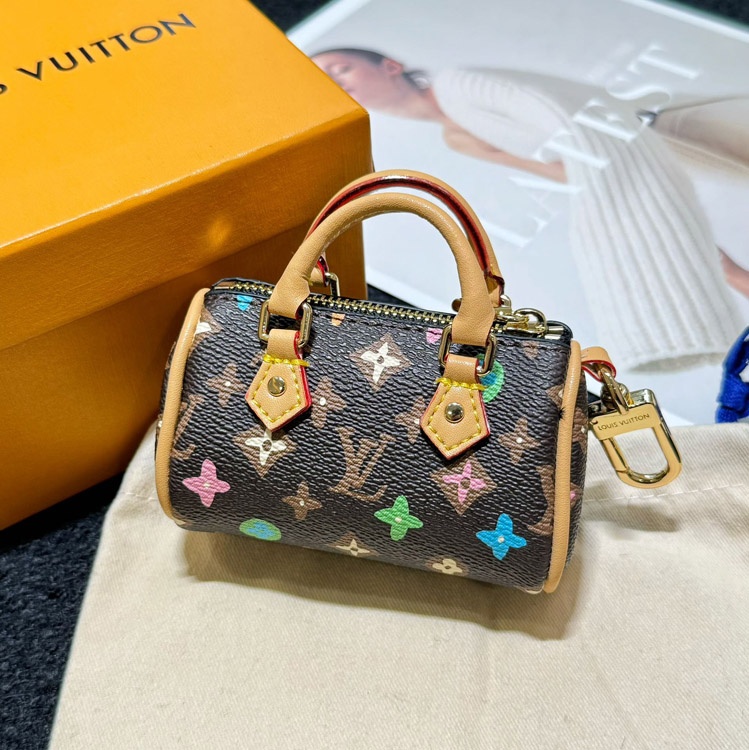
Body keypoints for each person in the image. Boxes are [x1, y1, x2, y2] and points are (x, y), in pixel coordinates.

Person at [313, 48, 749, 370]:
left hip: (680, 135)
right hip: (663, 172)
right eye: (325, 79)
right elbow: (564, 172)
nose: (337, 80)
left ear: (390, 65)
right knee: (716, 262)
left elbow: (583, 125)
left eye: (341, 68)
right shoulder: (457, 138)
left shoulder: (459, 82)